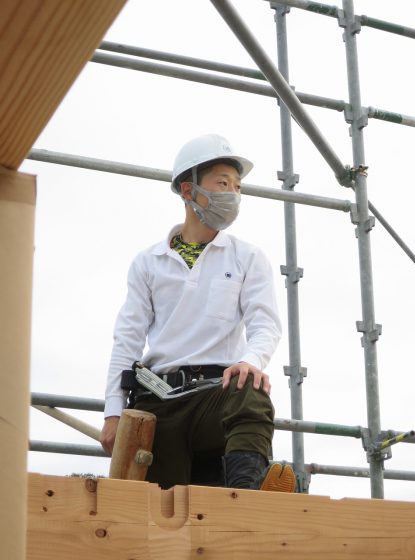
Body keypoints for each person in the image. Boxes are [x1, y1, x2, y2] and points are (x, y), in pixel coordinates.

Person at [100, 133, 295, 492]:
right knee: (165, 505)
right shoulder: (148, 262)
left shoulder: (248, 257)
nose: (233, 194)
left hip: (216, 396)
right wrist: (113, 412)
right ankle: (234, 491)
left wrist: (250, 361)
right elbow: (127, 338)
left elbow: (265, 324)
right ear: (189, 191)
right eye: (223, 183)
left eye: (237, 187)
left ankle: (248, 496)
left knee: (250, 390)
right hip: (159, 401)